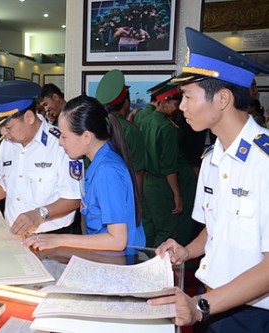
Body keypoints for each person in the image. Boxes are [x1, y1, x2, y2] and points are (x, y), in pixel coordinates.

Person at [149, 27, 269, 332]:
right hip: (210, 299)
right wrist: (187, 251)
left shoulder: (263, 162)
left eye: (188, 96)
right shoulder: (212, 158)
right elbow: (214, 231)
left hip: (252, 314)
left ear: (223, 99)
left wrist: (201, 306)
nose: (183, 106)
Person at [0, 80, 81, 236]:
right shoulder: (8, 143)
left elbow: (74, 198)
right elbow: (3, 185)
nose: (3, 133)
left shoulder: (61, 144)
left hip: (53, 237)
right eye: (0, 127)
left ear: (28, 117)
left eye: (8, 126)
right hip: (15, 235)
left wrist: (40, 214)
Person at [25, 95, 145, 251]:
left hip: (117, 264)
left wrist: (58, 239)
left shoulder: (106, 171)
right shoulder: (99, 161)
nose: (60, 142)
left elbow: (117, 241)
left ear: (87, 136)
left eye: (64, 136)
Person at [140, 80, 198, 248]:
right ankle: (160, 270)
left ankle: (144, 264)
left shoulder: (143, 118)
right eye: (175, 102)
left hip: (146, 182)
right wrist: (177, 194)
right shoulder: (168, 128)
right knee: (166, 231)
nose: (179, 106)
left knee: (149, 228)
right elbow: (169, 167)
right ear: (163, 101)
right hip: (162, 184)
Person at [95, 69, 146, 194]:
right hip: (123, 192)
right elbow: (138, 172)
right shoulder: (131, 130)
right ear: (126, 103)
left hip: (98, 190)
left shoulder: (95, 127)